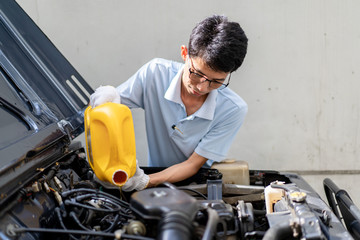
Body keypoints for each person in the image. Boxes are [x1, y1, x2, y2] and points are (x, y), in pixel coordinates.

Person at [90, 15, 248, 191]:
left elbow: (193, 164)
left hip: (194, 186)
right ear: (184, 53)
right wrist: (107, 98)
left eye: (216, 81)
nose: (202, 87)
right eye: (197, 74)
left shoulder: (233, 109)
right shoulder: (155, 74)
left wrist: (144, 182)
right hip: (154, 177)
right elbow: (111, 107)